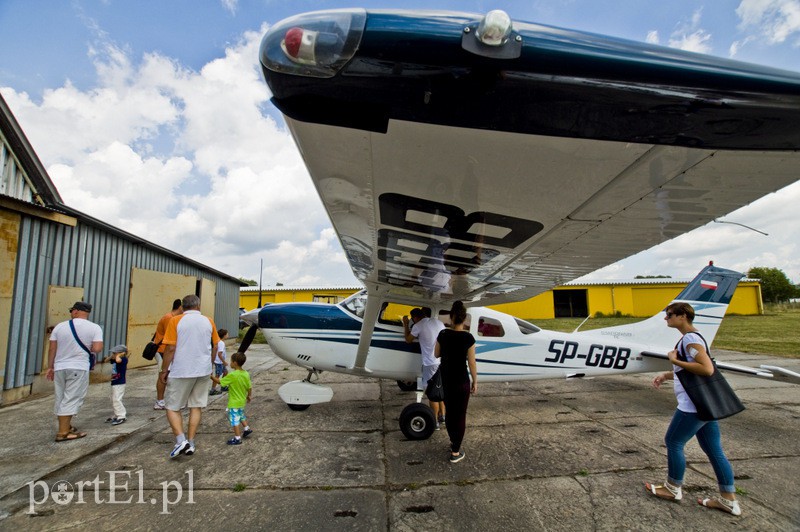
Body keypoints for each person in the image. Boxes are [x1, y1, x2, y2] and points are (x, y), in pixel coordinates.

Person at [644, 302, 741, 516]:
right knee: (714, 450)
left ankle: (672, 488)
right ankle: (728, 500)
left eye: (669, 315)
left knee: (674, 442)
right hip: (705, 405)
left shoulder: (689, 339)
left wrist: (672, 360)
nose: (666, 318)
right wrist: (667, 374)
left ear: (682, 316)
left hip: (693, 405)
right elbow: (690, 367)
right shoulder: (692, 338)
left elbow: (706, 368)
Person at [160, 294, 220, 458]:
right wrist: (210, 363)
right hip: (203, 369)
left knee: (172, 407)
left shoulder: (176, 320)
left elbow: (170, 349)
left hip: (181, 370)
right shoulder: (209, 321)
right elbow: (215, 345)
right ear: (198, 306)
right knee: (196, 406)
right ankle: (191, 442)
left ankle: (181, 440)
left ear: (182, 307)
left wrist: (164, 370)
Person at [46, 301, 103, 442]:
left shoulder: (60, 326)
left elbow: (52, 348)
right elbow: (97, 348)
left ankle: (66, 426)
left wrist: (50, 367)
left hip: (60, 367)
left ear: (76, 311)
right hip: (78, 366)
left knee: (61, 397)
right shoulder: (94, 328)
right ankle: (63, 433)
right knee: (72, 397)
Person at [435, 300, 477, 463]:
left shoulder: (443, 334)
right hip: (461, 382)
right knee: (460, 416)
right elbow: (472, 363)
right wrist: (475, 381)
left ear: (451, 317)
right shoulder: (468, 338)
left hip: (446, 381)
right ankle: (455, 451)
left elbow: (436, 354)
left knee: (451, 414)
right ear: (464, 318)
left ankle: (453, 442)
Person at [403, 307, 446, 429]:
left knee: (432, 394)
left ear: (415, 318)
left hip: (430, 363)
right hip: (441, 361)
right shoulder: (438, 322)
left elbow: (408, 340)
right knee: (439, 389)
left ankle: (435, 422)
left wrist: (406, 325)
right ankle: (443, 416)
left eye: (412, 319)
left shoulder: (418, 325)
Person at [210, 351, 253, 445]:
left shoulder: (233, 375)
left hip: (234, 402)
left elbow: (220, 382)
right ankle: (246, 428)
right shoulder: (245, 373)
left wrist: (211, 376)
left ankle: (237, 438)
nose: (230, 363)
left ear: (235, 363)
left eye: (231, 361)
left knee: (234, 419)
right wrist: (249, 396)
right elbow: (249, 386)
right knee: (241, 415)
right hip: (242, 401)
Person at [152, 299, 183, 410]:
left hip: (168, 351)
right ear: (180, 307)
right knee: (162, 375)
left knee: (169, 375)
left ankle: (169, 399)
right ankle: (159, 401)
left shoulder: (173, 318)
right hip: (162, 351)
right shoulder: (169, 318)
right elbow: (171, 337)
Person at [105, 344, 128, 426]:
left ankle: (121, 415)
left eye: (115, 353)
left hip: (120, 382)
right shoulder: (115, 359)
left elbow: (118, 360)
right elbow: (106, 360)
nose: (114, 355)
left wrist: (120, 355)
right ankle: (117, 414)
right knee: (113, 399)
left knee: (116, 399)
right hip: (114, 382)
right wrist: (112, 356)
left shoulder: (123, 359)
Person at [210, 329, 229, 395]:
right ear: (224, 335)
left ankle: (223, 386)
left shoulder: (220, 342)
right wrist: (224, 362)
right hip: (219, 362)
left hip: (220, 362)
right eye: (227, 334)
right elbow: (219, 354)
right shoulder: (221, 343)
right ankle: (213, 390)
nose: (228, 335)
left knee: (225, 372)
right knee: (217, 375)